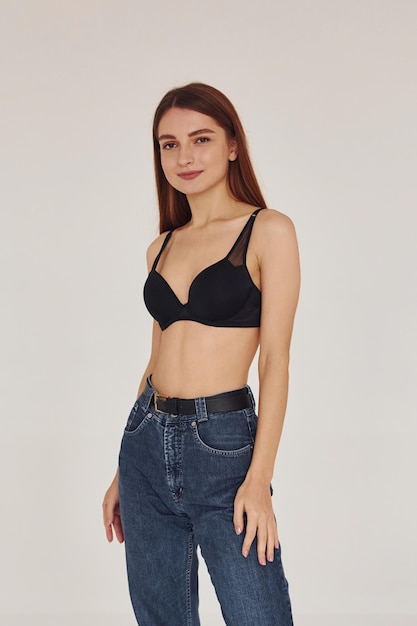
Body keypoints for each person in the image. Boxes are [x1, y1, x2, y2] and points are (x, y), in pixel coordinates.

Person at [102, 82, 300, 626]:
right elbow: (154, 361)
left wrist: (258, 478)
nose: (184, 157)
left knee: (258, 614)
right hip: (145, 442)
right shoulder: (161, 246)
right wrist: (124, 469)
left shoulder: (268, 230)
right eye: (169, 144)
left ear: (233, 145)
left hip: (224, 447)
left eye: (201, 139)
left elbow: (276, 360)